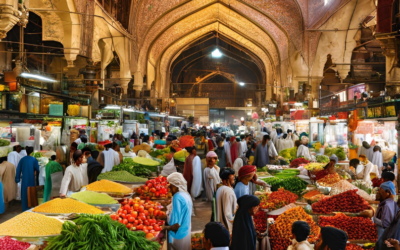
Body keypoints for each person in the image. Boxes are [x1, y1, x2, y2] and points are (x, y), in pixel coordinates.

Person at [165, 173, 193, 250]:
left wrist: (165, 217)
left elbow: (174, 223)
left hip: (178, 236)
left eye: (171, 185)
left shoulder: (177, 197)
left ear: (176, 185)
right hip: (186, 232)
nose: (169, 188)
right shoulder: (186, 194)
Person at [15, 146, 39, 211]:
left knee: (24, 194)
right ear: (32, 152)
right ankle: (31, 209)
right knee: (31, 193)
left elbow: (18, 170)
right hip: (31, 179)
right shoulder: (34, 159)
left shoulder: (22, 160)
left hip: (24, 180)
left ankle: (24, 209)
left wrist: (17, 179)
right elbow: (37, 169)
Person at [215, 168, 237, 233]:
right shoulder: (228, 191)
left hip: (220, 222)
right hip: (227, 224)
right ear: (227, 178)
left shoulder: (220, 189)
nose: (234, 178)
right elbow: (232, 210)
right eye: (232, 177)